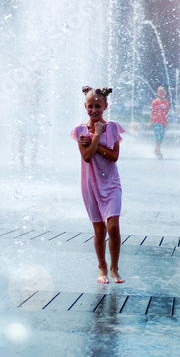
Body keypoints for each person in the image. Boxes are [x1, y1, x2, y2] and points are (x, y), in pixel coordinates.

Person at [70, 86, 125, 284]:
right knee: (99, 230)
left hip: (111, 185)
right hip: (90, 185)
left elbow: (114, 156)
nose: (94, 110)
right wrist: (94, 136)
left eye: (98, 106)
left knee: (113, 227)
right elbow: (86, 157)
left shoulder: (113, 127)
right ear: (85, 106)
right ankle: (102, 267)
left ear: (105, 106)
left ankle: (114, 267)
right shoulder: (80, 130)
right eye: (90, 106)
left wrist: (96, 140)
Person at [16, 70, 43, 169]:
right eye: (36, 78)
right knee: (22, 139)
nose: (38, 81)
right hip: (23, 117)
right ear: (32, 78)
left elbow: (39, 102)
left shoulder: (39, 89)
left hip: (34, 118)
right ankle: (21, 162)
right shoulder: (25, 87)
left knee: (34, 140)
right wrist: (30, 99)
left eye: (39, 79)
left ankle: (33, 162)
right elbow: (20, 101)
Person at [147, 86, 169, 159]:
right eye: (160, 92)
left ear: (165, 93)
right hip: (156, 121)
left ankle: (155, 150)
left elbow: (167, 113)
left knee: (161, 137)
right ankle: (159, 152)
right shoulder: (155, 102)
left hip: (163, 122)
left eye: (163, 92)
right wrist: (150, 122)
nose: (161, 93)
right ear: (157, 93)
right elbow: (151, 112)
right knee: (158, 136)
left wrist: (168, 124)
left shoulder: (166, 102)